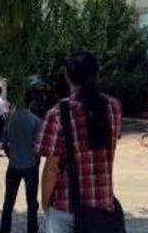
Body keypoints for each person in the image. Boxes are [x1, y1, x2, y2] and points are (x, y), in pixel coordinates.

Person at [37, 52, 123, 233]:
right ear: (96, 75)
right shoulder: (114, 106)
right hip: (102, 209)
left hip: (66, 208)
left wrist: (45, 205)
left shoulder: (59, 113)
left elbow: (51, 168)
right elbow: (110, 151)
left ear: (67, 77)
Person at [0, 89, 42, 233]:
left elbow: (4, 143)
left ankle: (5, 229)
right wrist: (36, 160)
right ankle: (32, 229)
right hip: (30, 165)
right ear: (31, 102)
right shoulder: (36, 121)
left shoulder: (10, 119)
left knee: (8, 201)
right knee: (31, 202)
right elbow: (39, 147)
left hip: (14, 165)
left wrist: (11, 156)